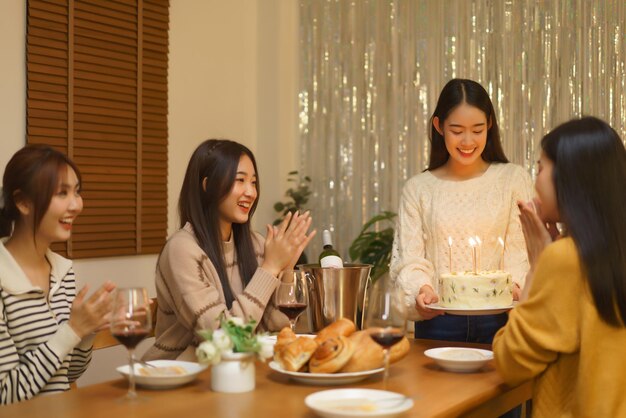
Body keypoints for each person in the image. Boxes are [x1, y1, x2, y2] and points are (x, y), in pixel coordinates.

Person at [493, 117, 626, 417]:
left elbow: (510, 361)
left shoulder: (565, 259)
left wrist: (538, 265)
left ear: (569, 178)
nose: (535, 180)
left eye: (540, 168)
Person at [143, 139, 316, 361]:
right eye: (240, 180)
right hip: (180, 379)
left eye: (253, 182)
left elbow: (278, 330)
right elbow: (221, 337)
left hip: (241, 371)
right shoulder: (182, 250)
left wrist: (287, 270)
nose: (251, 192)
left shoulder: (255, 244)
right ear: (207, 185)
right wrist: (270, 268)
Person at [390, 78, 533, 343]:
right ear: (439, 126)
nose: (468, 141)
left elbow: (520, 249)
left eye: (477, 129)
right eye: (457, 130)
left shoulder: (513, 180)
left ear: (489, 124)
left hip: (501, 321)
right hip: (438, 321)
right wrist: (422, 290)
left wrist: (513, 287)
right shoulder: (419, 188)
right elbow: (409, 259)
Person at [0, 145, 116, 404]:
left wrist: (85, 333)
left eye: (77, 192)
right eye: (62, 193)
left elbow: (67, 374)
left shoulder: (62, 272)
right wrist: (72, 330)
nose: (77, 205)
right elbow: (5, 394)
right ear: (22, 202)